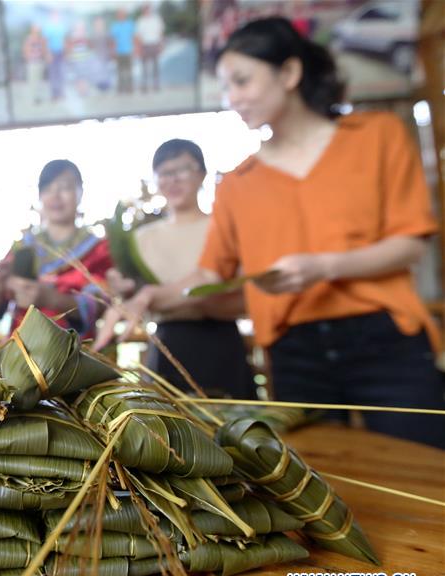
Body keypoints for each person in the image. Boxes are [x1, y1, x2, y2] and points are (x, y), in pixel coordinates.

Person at [115, 18, 444, 446]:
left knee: (424, 470)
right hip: (293, 351)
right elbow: (211, 274)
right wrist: (152, 296)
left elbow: (408, 245)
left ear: (289, 73)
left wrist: (324, 266)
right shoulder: (237, 183)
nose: (232, 98)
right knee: (322, 486)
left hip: (386, 337)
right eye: (225, 87)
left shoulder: (377, 137)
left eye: (242, 81)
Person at [94, 140, 256, 399]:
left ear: (202, 173)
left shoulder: (222, 228)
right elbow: (132, 298)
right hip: (169, 342)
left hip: (223, 342)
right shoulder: (140, 239)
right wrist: (122, 292)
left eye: (182, 169)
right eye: (164, 173)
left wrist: (182, 300)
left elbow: (248, 295)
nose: (173, 180)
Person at [0, 159, 112, 339]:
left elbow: (102, 304)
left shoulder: (98, 249)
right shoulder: (23, 247)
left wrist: (52, 300)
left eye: (65, 187)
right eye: (47, 189)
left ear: (80, 192)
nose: (55, 196)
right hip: (21, 350)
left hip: (75, 352)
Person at [135, 3, 164, 92]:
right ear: (143, 10)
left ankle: (156, 85)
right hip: (145, 45)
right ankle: (145, 86)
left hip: (154, 44)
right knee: (144, 67)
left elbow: (160, 32)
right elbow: (138, 35)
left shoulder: (156, 19)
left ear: (150, 9)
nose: (147, 11)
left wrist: (161, 45)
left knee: (156, 66)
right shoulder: (140, 21)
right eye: (145, 9)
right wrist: (139, 48)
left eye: (148, 9)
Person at [109, 9, 136, 94]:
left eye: (122, 14)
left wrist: (135, 49)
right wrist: (113, 51)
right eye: (119, 15)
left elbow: (133, 37)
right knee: (120, 71)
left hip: (128, 50)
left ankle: (129, 87)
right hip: (119, 51)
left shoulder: (130, 24)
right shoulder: (115, 26)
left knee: (129, 70)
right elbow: (113, 40)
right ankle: (121, 88)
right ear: (117, 16)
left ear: (125, 15)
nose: (120, 16)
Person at [22, 24, 49, 105]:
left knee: (39, 80)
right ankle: (33, 98)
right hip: (32, 62)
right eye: (36, 29)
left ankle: (38, 97)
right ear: (32, 30)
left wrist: (45, 57)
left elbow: (44, 49)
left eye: (38, 30)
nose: (37, 31)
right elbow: (25, 49)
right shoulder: (29, 39)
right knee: (32, 80)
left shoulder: (41, 39)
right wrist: (28, 58)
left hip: (40, 61)